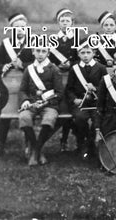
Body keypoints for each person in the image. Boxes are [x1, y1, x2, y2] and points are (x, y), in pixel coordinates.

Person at [0, 13, 34, 159]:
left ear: (27, 28)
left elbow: (38, 63)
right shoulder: (6, 44)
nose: (20, 30)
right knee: (4, 116)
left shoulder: (32, 44)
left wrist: (23, 65)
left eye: (23, 27)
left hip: (26, 86)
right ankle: (1, 146)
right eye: (16, 28)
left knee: (26, 115)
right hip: (6, 88)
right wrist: (2, 67)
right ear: (11, 29)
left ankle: (28, 145)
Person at [18, 47, 64, 166]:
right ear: (33, 52)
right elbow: (22, 90)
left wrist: (46, 101)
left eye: (44, 51)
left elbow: (59, 92)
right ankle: (38, 150)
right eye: (37, 51)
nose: (40, 54)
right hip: (32, 103)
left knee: (49, 119)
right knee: (24, 118)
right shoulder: (29, 69)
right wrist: (25, 100)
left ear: (48, 53)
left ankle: (35, 152)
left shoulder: (54, 69)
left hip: (49, 104)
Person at [65, 41, 108, 159]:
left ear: (93, 53)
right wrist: (74, 99)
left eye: (88, 52)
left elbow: (106, 87)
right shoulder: (74, 69)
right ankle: (82, 143)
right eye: (82, 52)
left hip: (96, 103)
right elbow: (69, 89)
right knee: (80, 119)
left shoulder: (101, 68)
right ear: (78, 54)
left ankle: (90, 145)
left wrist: (95, 88)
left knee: (97, 120)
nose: (85, 55)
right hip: (81, 103)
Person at [49, 8, 79, 152]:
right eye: (62, 21)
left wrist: (70, 65)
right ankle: (63, 139)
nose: (65, 23)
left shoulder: (77, 40)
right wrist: (57, 65)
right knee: (61, 108)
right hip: (58, 79)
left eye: (68, 21)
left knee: (70, 108)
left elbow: (81, 59)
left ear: (72, 23)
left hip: (72, 79)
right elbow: (48, 60)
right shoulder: (53, 40)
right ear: (58, 23)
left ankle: (65, 139)